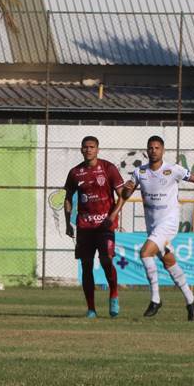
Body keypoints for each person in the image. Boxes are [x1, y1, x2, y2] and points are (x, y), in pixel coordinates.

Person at [115, 135, 194, 320]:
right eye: (150, 148)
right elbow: (126, 194)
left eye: (157, 148)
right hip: (152, 224)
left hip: (168, 223)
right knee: (169, 262)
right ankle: (191, 299)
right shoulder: (139, 172)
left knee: (145, 253)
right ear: (147, 150)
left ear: (163, 150)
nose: (153, 151)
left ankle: (156, 299)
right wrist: (123, 195)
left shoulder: (173, 169)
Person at [63, 135, 125, 318]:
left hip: (105, 225)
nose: (88, 149)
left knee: (106, 261)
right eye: (85, 147)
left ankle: (113, 293)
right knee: (86, 266)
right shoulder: (75, 172)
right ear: (81, 150)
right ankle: (91, 309)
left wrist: (112, 216)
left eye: (92, 147)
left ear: (97, 149)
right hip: (84, 227)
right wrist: (68, 223)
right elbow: (67, 198)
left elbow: (122, 195)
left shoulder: (108, 168)